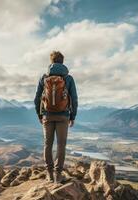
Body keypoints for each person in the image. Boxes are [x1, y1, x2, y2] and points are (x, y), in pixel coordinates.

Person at [34, 51, 78, 183]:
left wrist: (40, 114)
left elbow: (37, 98)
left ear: (51, 61)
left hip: (47, 115)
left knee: (48, 144)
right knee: (61, 145)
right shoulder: (68, 78)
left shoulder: (44, 77)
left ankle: (49, 174)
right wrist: (72, 116)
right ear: (62, 62)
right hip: (63, 116)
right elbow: (74, 99)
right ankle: (58, 175)